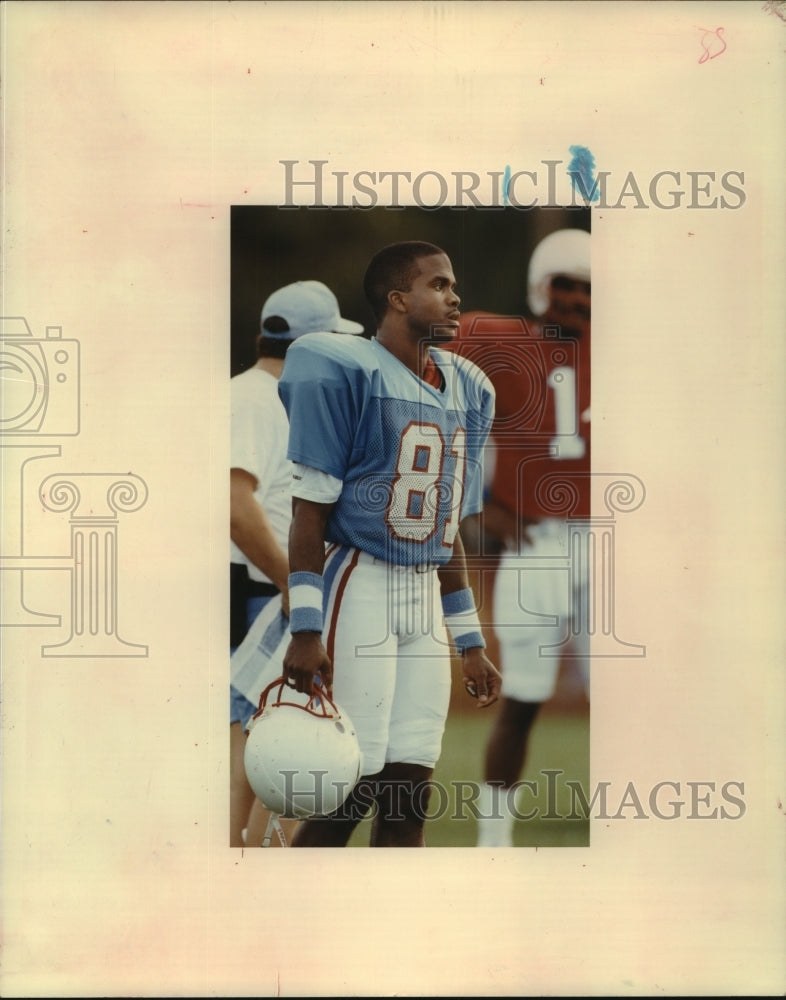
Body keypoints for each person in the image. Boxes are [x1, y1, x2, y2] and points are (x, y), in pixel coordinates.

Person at [277, 241, 502, 848]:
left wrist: (470, 641)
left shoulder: (467, 389)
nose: (454, 297)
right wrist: (305, 627)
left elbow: (444, 527)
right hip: (362, 578)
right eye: (439, 285)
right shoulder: (348, 369)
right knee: (352, 781)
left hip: (424, 596)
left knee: (410, 781)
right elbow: (308, 515)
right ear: (399, 299)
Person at [453, 227, 591, 848]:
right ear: (541, 287)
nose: (579, 300)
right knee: (524, 698)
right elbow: (419, 374)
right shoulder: (500, 340)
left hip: (615, 543)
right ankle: (494, 840)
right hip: (540, 541)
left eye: (590, 288)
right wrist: (481, 504)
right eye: (567, 285)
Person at [229, 279, 364, 847]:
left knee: (258, 754)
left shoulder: (258, 395)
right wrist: (295, 584)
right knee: (271, 755)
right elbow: (234, 503)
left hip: (260, 589)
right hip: (257, 591)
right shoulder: (256, 398)